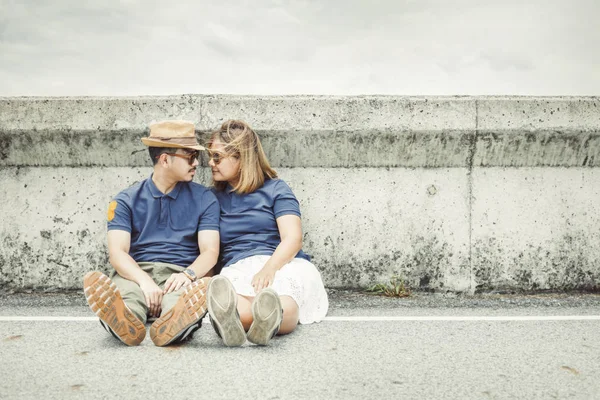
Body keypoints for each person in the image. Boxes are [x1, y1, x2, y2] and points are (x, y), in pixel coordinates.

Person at [83, 120, 220, 346]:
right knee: (129, 298)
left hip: (180, 273)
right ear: (165, 159)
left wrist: (188, 275)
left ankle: (176, 322)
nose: (196, 163)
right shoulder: (125, 200)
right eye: (189, 156)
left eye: (197, 156)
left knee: (180, 301)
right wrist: (144, 281)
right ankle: (122, 319)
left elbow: (210, 251)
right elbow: (117, 253)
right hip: (136, 273)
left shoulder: (205, 199)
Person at [205, 120, 328, 346]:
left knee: (282, 298)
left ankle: (265, 319)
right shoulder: (211, 198)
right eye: (210, 156)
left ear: (241, 157)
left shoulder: (275, 189)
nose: (210, 163)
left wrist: (269, 269)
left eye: (217, 157)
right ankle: (254, 322)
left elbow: (293, 238)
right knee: (234, 301)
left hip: (282, 262)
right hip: (238, 265)